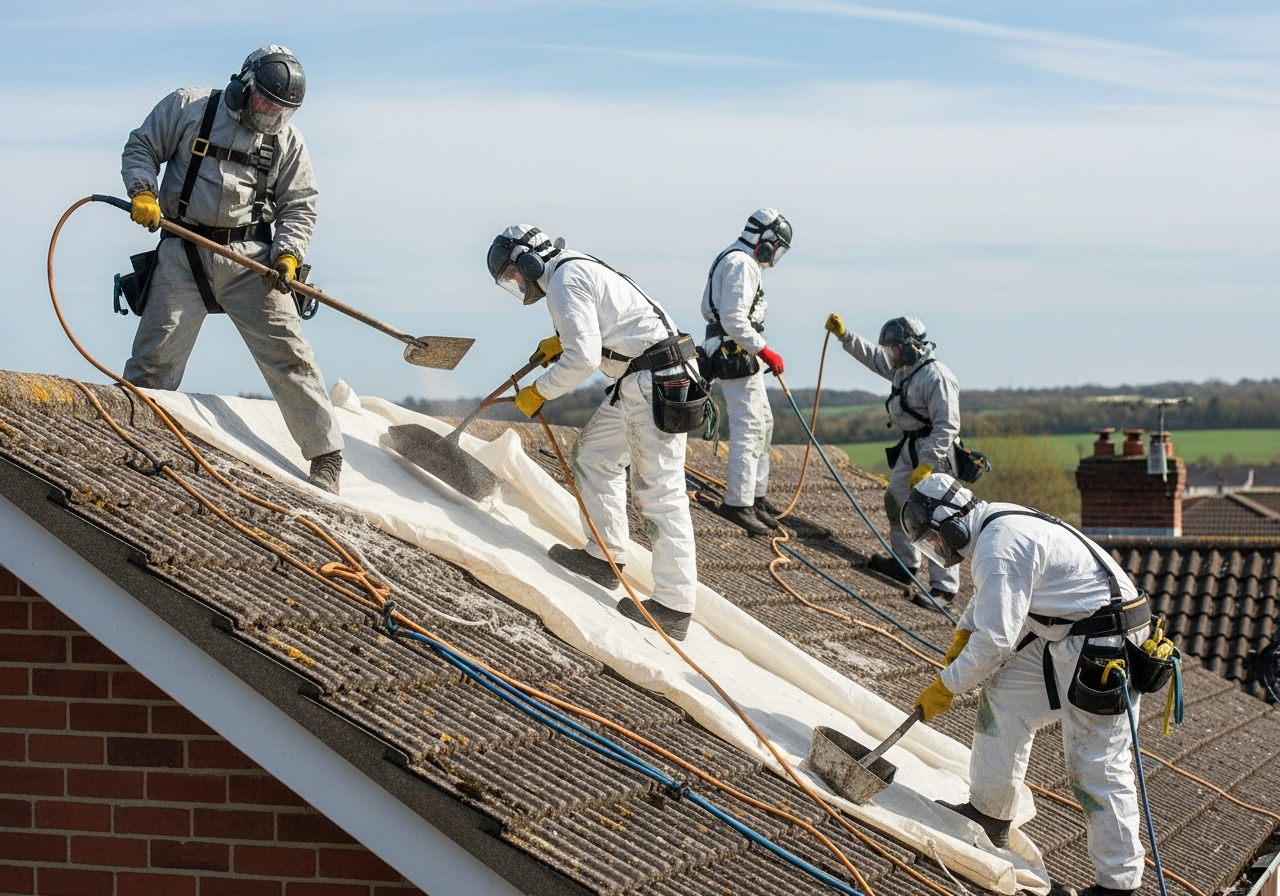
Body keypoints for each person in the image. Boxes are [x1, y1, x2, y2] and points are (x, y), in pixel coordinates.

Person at [906, 473, 1150, 896]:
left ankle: (1119, 885)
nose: (938, 550)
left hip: (1105, 643)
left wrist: (947, 685)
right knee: (1004, 698)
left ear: (952, 524)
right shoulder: (992, 529)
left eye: (935, 540)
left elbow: (998, 639)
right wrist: (963, 634)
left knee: (1095, 764)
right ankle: (989, 815)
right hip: (1069, 635)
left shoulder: (999, 545)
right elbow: (992, 598)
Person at [120, 46, 344, 493]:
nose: (270, 116)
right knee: (155, 357)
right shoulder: (188, 108)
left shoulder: (287, 141)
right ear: (244, 86)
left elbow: (299, 205)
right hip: (183, 250)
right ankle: (132, 435)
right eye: (265, 103)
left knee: (289, 354)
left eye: (282, 110)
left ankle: (326, 456)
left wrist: (288, 255)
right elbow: (142, 146)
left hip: (252, 261)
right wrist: (143, 191)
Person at [486, 225, 699, 641]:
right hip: (643, 378)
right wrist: (560, 340)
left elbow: (582, 358)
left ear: (529, 262)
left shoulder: (565, 280)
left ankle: (674, 605)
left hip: (655, 382)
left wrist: (538, 391)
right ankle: (605, 557)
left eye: (513, 273)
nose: (515, 282)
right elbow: (604, 331)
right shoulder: (571, 271)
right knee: (593, 456)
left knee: (658, 490)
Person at [823, 313, 960, 606]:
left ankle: (944, 589)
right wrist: (845, 336)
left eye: (894, 349)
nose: (891, 355)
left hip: (935, 453)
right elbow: (874, 357)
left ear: (913, 347)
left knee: (936, 516)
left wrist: (926, 465)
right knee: (896, 502)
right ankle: (905, 564)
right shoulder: (903, 369)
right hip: (911, 447)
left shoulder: (936, 376)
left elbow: (947, 425)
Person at [701, 209, 791, 536]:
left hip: (738, 347)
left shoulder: (742, 261)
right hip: (734, 348)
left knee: (763, 423)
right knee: (749, 425)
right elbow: (734, 319)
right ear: (764, 240)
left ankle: (756, 496)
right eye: (776, 246)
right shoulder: (742, 263)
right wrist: (764, 350)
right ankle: (738, 502)